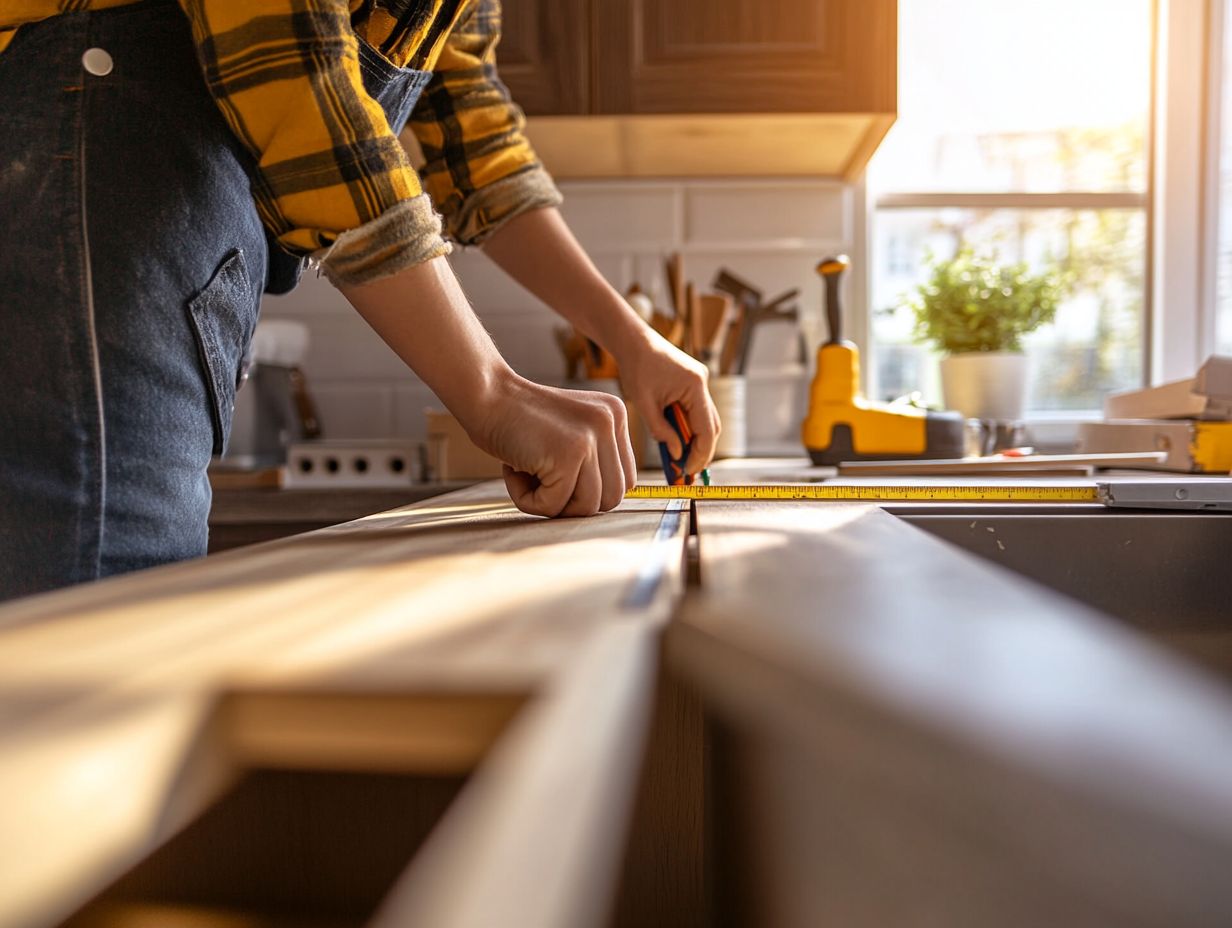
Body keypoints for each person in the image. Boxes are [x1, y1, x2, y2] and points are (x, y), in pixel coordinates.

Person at [0, 0, 719, 602]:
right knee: (95, 612)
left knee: (125, 615)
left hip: (127, 215)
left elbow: (472, 132)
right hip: (72, 166)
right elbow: (295, 69)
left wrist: (634, 342)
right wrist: (491, 392)